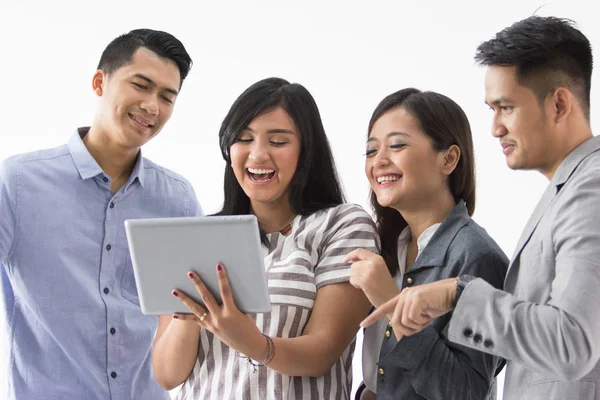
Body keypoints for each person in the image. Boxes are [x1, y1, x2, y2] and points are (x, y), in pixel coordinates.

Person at [362, 15, 600, 400]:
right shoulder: (567, 190)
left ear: (558, 104)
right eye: (492, 110)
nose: (494, 128)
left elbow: (571, 342)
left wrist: (457, 293)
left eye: (505, 107)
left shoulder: (592, 188)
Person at [0, 29, 202, 399]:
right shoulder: (18, 183)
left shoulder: (179, 200)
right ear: (99, 82)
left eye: (166, 97)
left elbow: (185, 322)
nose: (152, 106)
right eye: (141, 85)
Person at [152, 77, 379, 399]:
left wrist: (252, 342)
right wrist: (190, 313)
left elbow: (322, 353)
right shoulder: (197, 236)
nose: (257, 154)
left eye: (278, 141)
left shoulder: (342, 225)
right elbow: (167, 375)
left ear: (307, 150)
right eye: (243, 139)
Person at [345, 88, 508, 400]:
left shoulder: (477, 257)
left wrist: (392, 304)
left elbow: (467, 391)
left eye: (396, 145)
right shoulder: (385, 248)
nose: (379, 161)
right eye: (370, 150)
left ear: (448, 159)